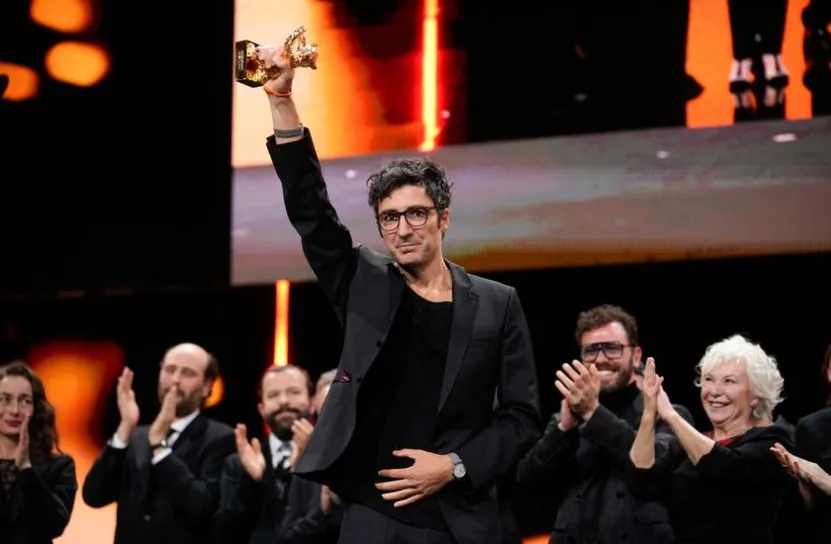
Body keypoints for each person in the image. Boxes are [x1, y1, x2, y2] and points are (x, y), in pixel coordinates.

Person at [252, 42, 540, 544]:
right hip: (372, 514)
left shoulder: (497, 303)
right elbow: (312, 212)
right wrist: (281, 100)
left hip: (457, 518)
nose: (403, 229)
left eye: (416, 214)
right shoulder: (363, 282)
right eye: (389, 218)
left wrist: (453, 466)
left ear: (443, 219)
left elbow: (521, 417)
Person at [515, 304, 691, 544]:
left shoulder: (667, 414)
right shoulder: (566, 420)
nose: (600, 359)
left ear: (636, 355)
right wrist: (562, 431)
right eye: (591, 351)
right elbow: (526, 485)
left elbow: (654, 468)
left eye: (612, 348)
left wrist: (593, 414)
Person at [628, 335, 792, 544]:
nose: (714, 391)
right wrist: (649, 411)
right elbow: (641, 483)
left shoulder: (774, 441)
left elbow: (726, 467)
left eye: (729, 381)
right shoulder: (689, 446)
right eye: (708, 379)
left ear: (755, 395)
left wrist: (670, 415)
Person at [82, 343, 235, 544]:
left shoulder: (222, 439)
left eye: (188, 373)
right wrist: (125, 427)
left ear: (207, 386)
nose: (175, 380)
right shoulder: (136, 436)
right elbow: (94, 496)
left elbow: (202, 508)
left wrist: (160, 448)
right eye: (170, 370)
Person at [216, 364, 327, 544]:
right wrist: (254, 482)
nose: (283, 401)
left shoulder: (330, 459)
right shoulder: (236, 464)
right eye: (273, 395)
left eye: (294, 392)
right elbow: (226, 533)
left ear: (312, 402)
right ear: (261, 408)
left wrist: (310, 462)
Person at [0, 362, 77, 544]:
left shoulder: (60, 467)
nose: (14, 410)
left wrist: (26, 469)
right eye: (5, 399)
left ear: (36, 410)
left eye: (25, 401)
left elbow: (55, 524)